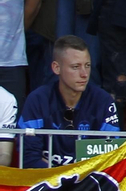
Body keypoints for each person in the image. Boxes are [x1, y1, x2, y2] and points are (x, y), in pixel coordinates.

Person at [19, 35, 117, 168]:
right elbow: (28, 157)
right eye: (75, 67)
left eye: (87, 65)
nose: (84, 74)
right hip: (46, 184)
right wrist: (63, 177)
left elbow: (111, 156)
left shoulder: (103, 101)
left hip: (89, 184)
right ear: (56, 68)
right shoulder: (37, 100)